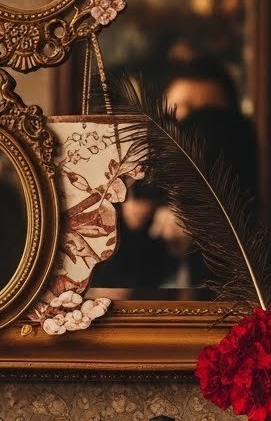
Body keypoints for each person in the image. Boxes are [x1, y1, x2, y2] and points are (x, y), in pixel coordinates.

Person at [90, 58, 259, 294]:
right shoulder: (128, 180)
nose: (196, 129)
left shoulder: (248, 205)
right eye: (182, 112)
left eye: (211, 117)